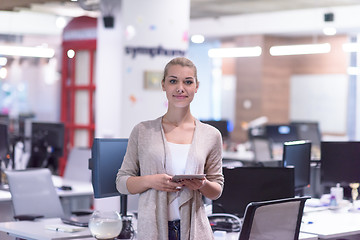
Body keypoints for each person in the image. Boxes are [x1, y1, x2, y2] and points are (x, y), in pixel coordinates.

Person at [116, 57, 224, 240]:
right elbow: (121, 182)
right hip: (154, 230)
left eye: (188, 82)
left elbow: (217, 189)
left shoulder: (211, 135)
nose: (180, 88)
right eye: (173, 81)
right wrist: (151, 181)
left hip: (196, 231)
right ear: (163, 85)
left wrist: (202, 184)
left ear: (196, 87)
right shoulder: (143, 131)